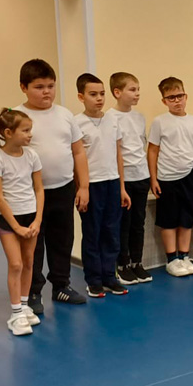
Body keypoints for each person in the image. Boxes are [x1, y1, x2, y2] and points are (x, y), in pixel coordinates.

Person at [12, 58, 89, 312]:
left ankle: (61, 285)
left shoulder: (65, 115)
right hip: (30, 193)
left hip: (63, 188)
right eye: (39, 87)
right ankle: (33, 291)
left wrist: (83, 186)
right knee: (33, 243)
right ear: (23, 87)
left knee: (62, 239)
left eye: (50, 86)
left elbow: (78, 152)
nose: (46, 92)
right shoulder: (16, 117)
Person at [0, 108, 44, 336]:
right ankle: (15, 312)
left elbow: (39, 189)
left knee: (29, 262)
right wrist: (16, 226)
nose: (30, 135)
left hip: (30, 215)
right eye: (25, 130)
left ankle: (24, 304)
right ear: (8, 133)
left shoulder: (32, 156)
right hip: (8, 219)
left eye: (30, 130)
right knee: (16, 264)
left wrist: (37, 219)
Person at [75, 73, 130, 298]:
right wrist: (82, 188)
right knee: (93, 233)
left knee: (111, 232)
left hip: (112, 182)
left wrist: (122, 187)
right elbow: (75, 158)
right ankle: (94, 279)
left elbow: (118, 155)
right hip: (91, 185)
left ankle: (109, 276)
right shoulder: (76, 123)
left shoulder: (112, 120)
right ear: (81, 97)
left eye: (102, 94)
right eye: (93, 94)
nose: (99, 98)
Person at [148, 77, 193, 278]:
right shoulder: (159, 122)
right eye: (171, 98)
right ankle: (172, 259)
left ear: (186, 96)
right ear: (164, 101)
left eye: (179, 96)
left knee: (187, 218)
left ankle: (184, 256)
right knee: (169, 219)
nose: (177, 101)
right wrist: (153, 179)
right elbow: (153, 150)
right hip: (167, 177)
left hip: (190, 175)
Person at [109, 71, 153, 285]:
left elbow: (140, 146)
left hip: (141, 175)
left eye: (138, 90)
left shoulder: (139, 117)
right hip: (123, 178)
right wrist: (120, 184)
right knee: (123, 223)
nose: (137, 94)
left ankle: (137, 262)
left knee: (138, 222)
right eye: (132, 90)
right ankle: (122, 264)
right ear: (117, 92)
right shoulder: (110, 118)